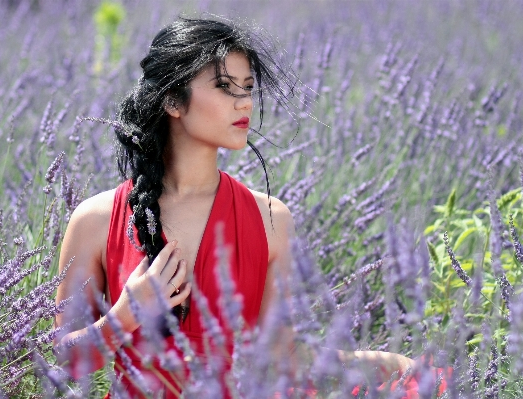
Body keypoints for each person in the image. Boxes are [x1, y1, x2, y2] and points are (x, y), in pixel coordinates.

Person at [53, 17, 428, 398]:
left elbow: (283, 356)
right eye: (224, 86)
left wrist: (384, 363)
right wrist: (125, 315)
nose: (245, 100)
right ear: (171, 101)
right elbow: (65, 360)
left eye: (247, 87)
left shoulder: (270, 220)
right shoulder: (96, 220)